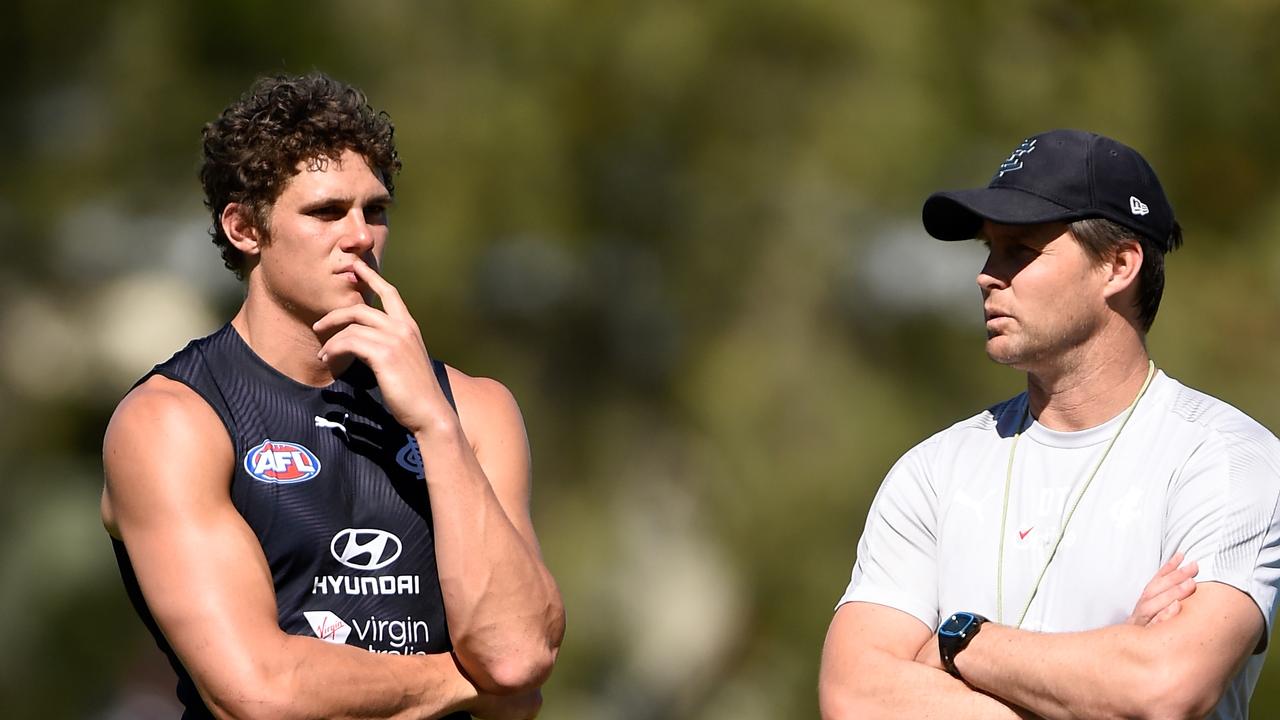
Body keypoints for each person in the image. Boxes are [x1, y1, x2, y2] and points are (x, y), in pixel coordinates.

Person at [102, 72, 564, 719]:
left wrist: (435, 427)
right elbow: (258, 692)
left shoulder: (472, 409)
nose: (359, 237)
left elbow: (515, 655)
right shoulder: (174, 421)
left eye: (374, 211)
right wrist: (465, 686)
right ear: (244, 228)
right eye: (325, 211)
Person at [819, 129, 1280, 719]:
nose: (987, 274)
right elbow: (853, 696)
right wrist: (1098, 681)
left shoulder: (1225, 459)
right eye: (990, 249)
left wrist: (957, 643)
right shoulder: (933, 471)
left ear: (1118, 264)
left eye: (1021, 249)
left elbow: (1165, 687)